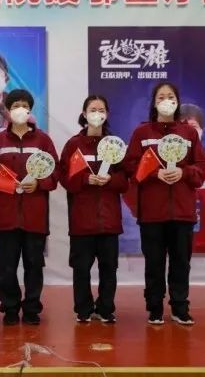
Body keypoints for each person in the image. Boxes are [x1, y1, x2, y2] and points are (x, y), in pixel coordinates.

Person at [125, 82, 205, 326]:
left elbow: (200, 168)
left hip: (182, 212)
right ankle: (154, 308)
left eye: (170, 96)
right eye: (161, 97)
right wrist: (154, 173)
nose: (166, 101)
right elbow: (130, 166)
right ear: (154, 102)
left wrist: (183, 172)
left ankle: (180, 307)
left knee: (181, 262)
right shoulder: (142, 133)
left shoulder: (189, 133)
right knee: (154, 262)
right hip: (152, 212)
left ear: (177, 102)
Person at [0, 89, 59, 326]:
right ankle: (10, 308)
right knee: (6, 266)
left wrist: (39, 183)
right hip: (6, 216)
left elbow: (56, 173)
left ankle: (32, 308)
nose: (20, 110)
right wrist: (7, 184)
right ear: (7, 110)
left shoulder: (43, 141)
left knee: (34, 265)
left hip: (35, 216)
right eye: (15, 106)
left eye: (24, 105)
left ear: (30, 110)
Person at [59, 95, 128, 324]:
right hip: (82, 221)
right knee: (81, 268)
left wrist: (111, 180)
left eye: (101, 110)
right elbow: (64, 177)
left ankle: (106, 308)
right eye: (92, 109)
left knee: (109, 268)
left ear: (107, 114)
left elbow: (125, 180)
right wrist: (86, 179)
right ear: (84, 114)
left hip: (109, 221)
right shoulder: (73, 145)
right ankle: (83, 309)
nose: (97, 114)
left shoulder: (116, 145)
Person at [180, 104, 205, 254]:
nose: (188, 132)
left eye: (193, 127)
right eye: (182, 127)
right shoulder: (162, 170)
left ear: (203, 130)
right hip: (174, 250)